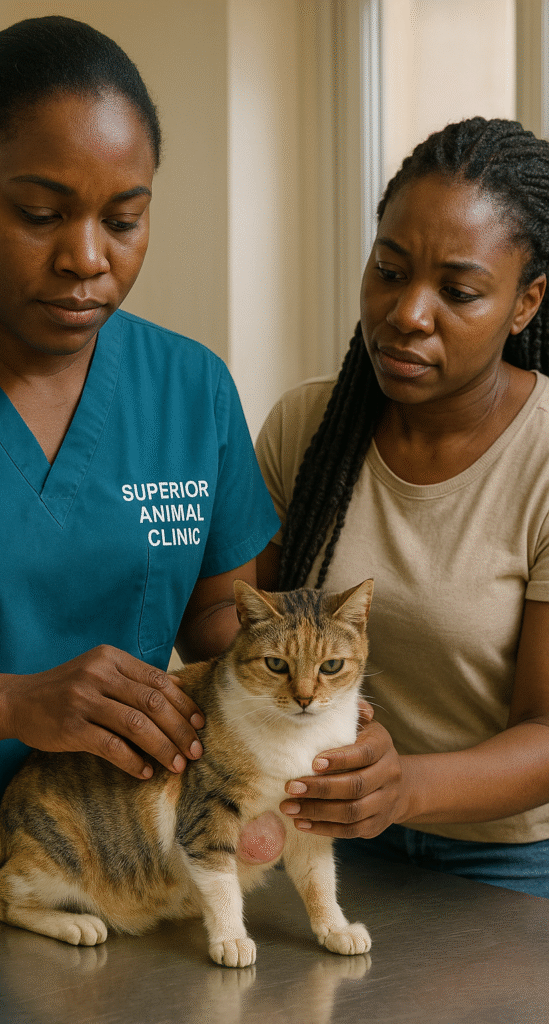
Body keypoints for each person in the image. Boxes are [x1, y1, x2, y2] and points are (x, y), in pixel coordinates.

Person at [0, 16, 279, 916]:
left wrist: (301, 701)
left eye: (123, 219)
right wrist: (13, 704)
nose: (87, 258)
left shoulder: (191, 387)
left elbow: (218, 615)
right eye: (42, 214)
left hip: (116, 881)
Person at [256, 117, 549, 897]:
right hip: (315, 828)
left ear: (525, 303)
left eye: (457, 292)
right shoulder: (303, 428)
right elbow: (232, 618)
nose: (407, 313)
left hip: (505, 862)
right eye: (388, 270)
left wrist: (401, 787)